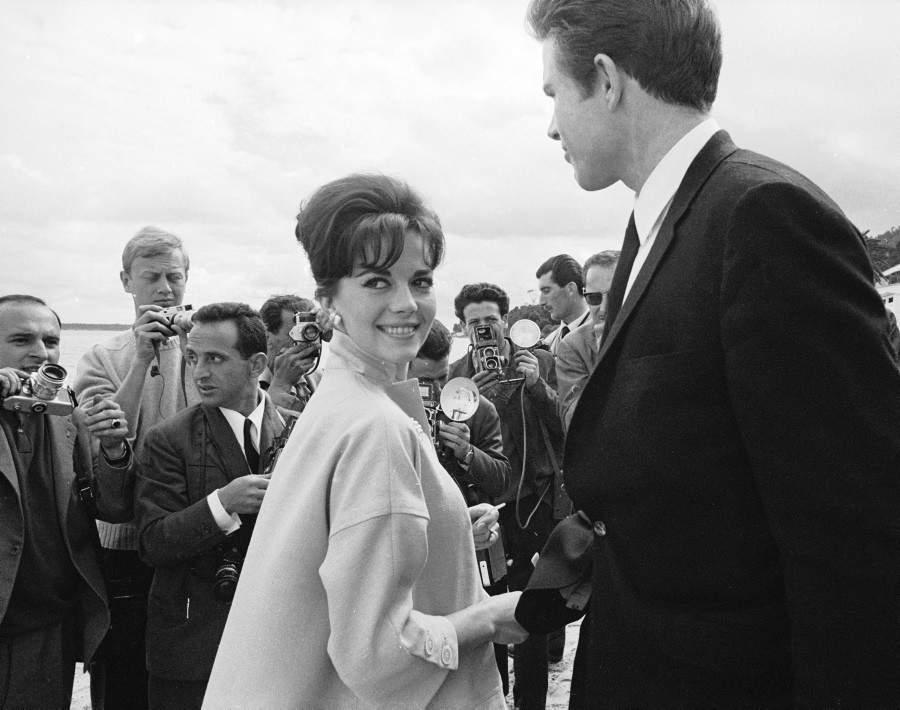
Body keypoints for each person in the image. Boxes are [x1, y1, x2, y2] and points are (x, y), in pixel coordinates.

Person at [526, 0, 900, 706]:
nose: (550, 125)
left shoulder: (763, 218)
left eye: (553, 93)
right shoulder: (660, 222)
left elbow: (854, 549)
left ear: (606, 80)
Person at [204, 174, 525, 708]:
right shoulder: (375, 425)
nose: (407, 304)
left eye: (420, 281)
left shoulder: (340, 397)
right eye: (377, 281)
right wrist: (489, 617)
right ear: (327, 299)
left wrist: (445, 533)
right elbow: (379, 655)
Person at [135, 302, 296, 709]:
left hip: (277, 647)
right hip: (194, 649)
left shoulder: (301, 433)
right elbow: (152, 542)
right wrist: (223, 504)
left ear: (257, 363)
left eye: (215, 359)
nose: (200, 372)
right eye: (193, 357)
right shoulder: (168, 439)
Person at [74, 225, 200, 709]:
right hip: (125, 539)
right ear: (126, 281)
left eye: (175, 276)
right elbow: (104, 436)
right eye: (152, 278)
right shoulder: (103, 356)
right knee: (124, 677)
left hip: (195, 528)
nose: (166, 289)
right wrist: (143, 356)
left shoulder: (203, 346)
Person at [0, 294, 135, 709]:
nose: (40, 353)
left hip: (44, 625)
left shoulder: (68, 414)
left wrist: (114, 448)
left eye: (51, 341)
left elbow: (112, 509)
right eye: (22, 340)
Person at [449, 282, 565, 710]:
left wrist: (536, 385)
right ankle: (495, 696)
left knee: (531, 610)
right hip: (487, 508)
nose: (484, 329)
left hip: (534, 503)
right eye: (474, 322)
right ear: (463, 326)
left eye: (491, 320)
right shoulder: (456, 374)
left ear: (507, 321)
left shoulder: (541, 362)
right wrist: (468, 399)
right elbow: (451, 446)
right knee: (490, 607)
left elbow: (565, 426)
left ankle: (531, 703)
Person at [409, 319, 513, 694]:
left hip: (479, 548)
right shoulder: (383, 414)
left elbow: (502, 477)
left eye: (440, 378)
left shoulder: (475, 407)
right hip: (418, 562)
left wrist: (468, 453)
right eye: (422, 382)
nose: (434, 391)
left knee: (487, 654)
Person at [555, 251, 617, 429]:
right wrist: (604, 357)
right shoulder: (573, 345)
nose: (604, 309)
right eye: (594, 298)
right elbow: (573, 423)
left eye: (614, 296)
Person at [258, 294, 323, 412]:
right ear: (266, 337)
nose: (306, 342)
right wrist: (281, 384)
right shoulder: (246, 383)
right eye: (298, 334)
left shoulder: (321, 379)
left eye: (312, 332)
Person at [536, 254, 589, 356]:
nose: (541, 302)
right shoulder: (549, 342)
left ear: (570, 289)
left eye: (547, 291)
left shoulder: (602, 337)